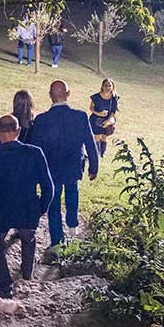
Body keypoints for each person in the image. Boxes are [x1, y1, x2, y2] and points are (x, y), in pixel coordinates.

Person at [0, 114, 53, 297]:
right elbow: (48, 187)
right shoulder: (35, 153)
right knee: (28, 238)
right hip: (27, 209)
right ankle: (27, 272)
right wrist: (41, 208)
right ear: (18, 131)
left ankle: (5, 284)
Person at [27, 80, 99, 246]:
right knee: (72, 192)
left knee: (54, 201)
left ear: (50, 96)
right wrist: (94, 166)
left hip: (51, 168)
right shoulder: (80, 117)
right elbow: (90, 143)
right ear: (68, 94)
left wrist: (34, 172)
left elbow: (35, 147)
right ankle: (73, 224)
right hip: (73, 164)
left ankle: (57, 239)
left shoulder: (41, 120)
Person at [89, 78, 120, 158]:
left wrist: (108, 120)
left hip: (108, 119)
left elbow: (113, 111)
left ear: (113, 87)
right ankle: (97, 152)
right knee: (97, 136)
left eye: (110, 86)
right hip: (96, 119)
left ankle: (102, 153)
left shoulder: (114, 98)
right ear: (102, 86)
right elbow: (91, 108)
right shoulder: (96, 97)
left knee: (104, 136)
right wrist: (98, 113)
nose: (108, 88)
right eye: (106, 85)